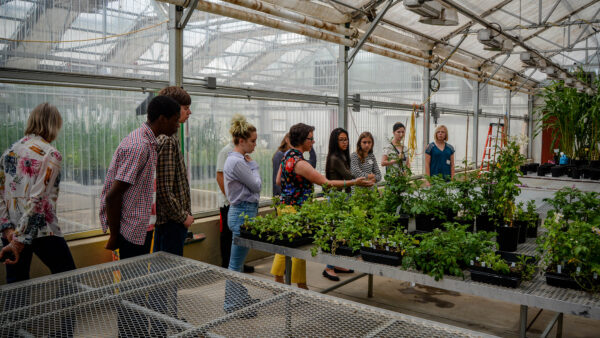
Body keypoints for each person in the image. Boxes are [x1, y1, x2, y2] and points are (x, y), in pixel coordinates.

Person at [0, 103, 75, 337]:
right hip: (43, 231)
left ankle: (14, 333)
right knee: (69, 278)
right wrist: (21, 240)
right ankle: (65, 332)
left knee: (17, 286)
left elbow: (1, 194)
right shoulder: (51, 154)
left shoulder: (9, 151)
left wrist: (8, 230)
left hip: (13, 232)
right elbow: (38, 202)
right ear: (53, 125)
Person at [271, 124, 372, 288]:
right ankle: (301, 287)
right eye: (311, 138)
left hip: (285, 207)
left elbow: (278, 181)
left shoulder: (286, 156)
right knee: (298, 250)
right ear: (303, 140)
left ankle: (280, 282)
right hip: (297, 210)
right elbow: (326, 183)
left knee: (285, 246)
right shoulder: (300, 163)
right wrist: (354, 182)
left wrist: (293, 187)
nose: (313, 141)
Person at [100, 95, 181, 258]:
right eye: (175, 120)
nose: (178, 125)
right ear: (163, 119)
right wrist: (114, 236)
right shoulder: (140, 147)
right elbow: (113, 196)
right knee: (132, 281)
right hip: (130, 231)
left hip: (140, 227)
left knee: (139, 279)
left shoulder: (150, 143)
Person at [223, 114, 261, 313]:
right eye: (252, 141)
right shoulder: (238, 162)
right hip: (242, 213)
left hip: (243, 212)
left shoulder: (237, 160)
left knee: (237, 262)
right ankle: (232, 304)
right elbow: (256, 185)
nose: (255, 145)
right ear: (241, 141)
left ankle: (238, 299)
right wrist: (253, 165)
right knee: (235, 264)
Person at [154, 87, 194, 256]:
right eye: (185, 108)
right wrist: (182, 216)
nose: (189, 112)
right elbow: (164, 189)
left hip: (172, 221)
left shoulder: (171, 137)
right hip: (171, 223)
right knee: (167, 276)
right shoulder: (168, 140)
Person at [217, 129, 254, 273]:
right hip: (229, 202)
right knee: (227, 235)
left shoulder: (240, 155)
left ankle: (238, 265)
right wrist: (231, 198)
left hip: (237, 202)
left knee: (237, 239)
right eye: (252, 140)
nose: (254, 144)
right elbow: (219, 176)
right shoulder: (226, 152)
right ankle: (227, 264)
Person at [323, 127, 356, 281]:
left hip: (342, 197)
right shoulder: (335, 158)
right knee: (335, 232)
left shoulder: (342, 156)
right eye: (341, 139)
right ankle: (329, 268)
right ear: (335, 142)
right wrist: (364, 177)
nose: (345, 142)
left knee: (341, 232)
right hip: (336, 198)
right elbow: (349, 176)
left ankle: (337, 264)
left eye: (346, 139)